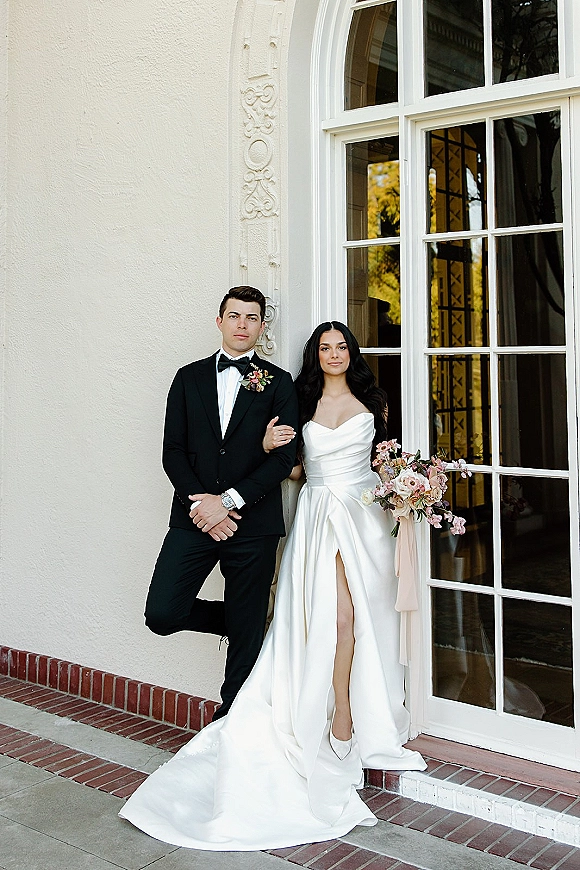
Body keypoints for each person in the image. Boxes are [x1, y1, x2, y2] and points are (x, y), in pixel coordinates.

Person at [120, 321, 425, 850]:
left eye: (342, 347)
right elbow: (287, 466)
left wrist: (408, 488)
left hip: (363, 519)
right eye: (325, 348)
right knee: (335, 618)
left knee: (363, 618)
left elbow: (387, 459)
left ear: (352, 354)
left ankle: (357, 710)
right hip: (319, 516)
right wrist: (262, 449)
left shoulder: (375, 403)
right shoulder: (297, 400)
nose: (334, 354)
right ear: (316, 355)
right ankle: (340, 718)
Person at [143, 285, 299, 720]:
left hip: (253, 526)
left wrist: (227, 501)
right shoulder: (187, 378)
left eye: (252, 318)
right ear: (220, 321)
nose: (242, 325)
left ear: (262, 327)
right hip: (194, 517)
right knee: (162, 611)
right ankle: (242, 621)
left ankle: (228, 723)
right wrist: (204, 507)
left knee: (246, 640)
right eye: (235, 316)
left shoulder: (278, 383)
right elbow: (172, 451)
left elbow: (284, 458)